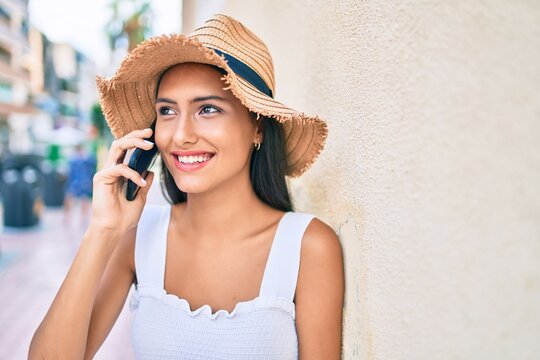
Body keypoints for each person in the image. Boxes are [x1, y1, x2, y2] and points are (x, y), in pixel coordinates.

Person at [29, 14, 344, 359]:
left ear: (258, 127)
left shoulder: (308, 248)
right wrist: (102, 231)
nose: (180, 136)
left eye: (207, 109)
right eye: (167, 111)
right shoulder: (139, 239)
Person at [63, 143, 97, 226]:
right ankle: (79, 217)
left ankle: (72, 217)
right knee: (80, 199)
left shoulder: (75, 159)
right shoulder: (84, 158)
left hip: (77, 182)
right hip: (82, 182)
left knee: (78, 199)